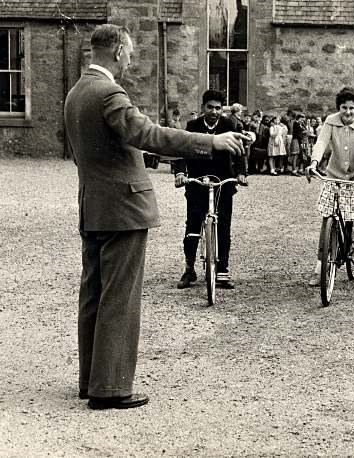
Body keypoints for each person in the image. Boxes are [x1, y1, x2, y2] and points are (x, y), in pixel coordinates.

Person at [64, 24, 248, 410]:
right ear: (116, 52)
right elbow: (150, 136)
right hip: (124, 210)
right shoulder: (109, 93)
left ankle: (90, 379)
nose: (130, 61)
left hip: (94, 205)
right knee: (120, 298)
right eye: (129, 53)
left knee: (94, 295)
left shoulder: (77, 92)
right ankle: (111, 388)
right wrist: (210, 142)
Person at [305, 87, 354, 290]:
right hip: (334, 176)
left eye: (352, 108)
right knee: (326, 219)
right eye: (344, 108)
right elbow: (321, 143)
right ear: (339, 108)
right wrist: (313, 163)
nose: (348, 112)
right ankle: (319, 269)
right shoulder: (330, 121)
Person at [174, 89, 248, 290]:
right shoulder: (193, 126)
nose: (214, 111)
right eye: (210, 107)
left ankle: (222, 270)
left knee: (223, 225)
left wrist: (241, 173)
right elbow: (181, 151)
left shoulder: (228, 125)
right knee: (193, 226)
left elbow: (240, 151)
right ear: (202, 108)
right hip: (197, 180)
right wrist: (180, 173)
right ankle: (189, 269)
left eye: (218, 108)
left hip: (223, 180)